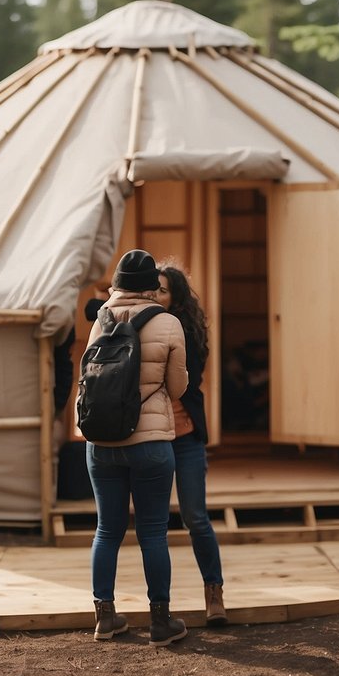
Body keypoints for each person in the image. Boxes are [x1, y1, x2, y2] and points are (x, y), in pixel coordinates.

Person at [84, 249, 189, 646]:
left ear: (117, 283)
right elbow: (178, 388)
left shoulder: (100, 320)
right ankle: (160, 623)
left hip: (102, 441)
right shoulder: (168, 323)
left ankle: (105, 619)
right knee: (152, 533)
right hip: (150, 443)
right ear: (150, 286)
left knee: (107, 530)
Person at [154, 262, 226, 626]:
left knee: (196, 516)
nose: (155, 295)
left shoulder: (186, 330)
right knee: (153, 524)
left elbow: (188, 377)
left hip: (186, 436)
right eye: (152, 289)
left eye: (163, 290)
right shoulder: (142, 325)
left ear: (176, 296)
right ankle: (160, 607)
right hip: (153, 436)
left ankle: (214, 591)